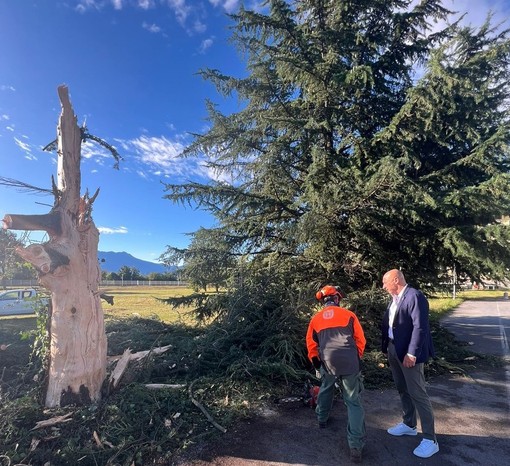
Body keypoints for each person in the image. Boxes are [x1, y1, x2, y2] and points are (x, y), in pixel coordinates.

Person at [381, 269, 439, 458]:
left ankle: (430, 439)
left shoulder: (415, 296)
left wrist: (412, 353)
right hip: (394, 350)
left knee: (418, 393)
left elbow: (420, 327)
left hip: (408, 354)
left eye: (385, 282)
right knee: (402, 389)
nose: (383, 286)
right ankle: (409, 424)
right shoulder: (395, 299)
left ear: (396, 280)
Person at [306, 285, 366, 463]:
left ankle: (321, 419)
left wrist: (317, 362)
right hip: (349, 362)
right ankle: (355, 446)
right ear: (337, 299)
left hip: (327, 361)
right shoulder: (349, 315)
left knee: (326, 388)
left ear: (323, 302)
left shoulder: (315, 319)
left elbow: (311, 345)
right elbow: (360, 340)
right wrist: (356, 358)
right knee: (353, 402)